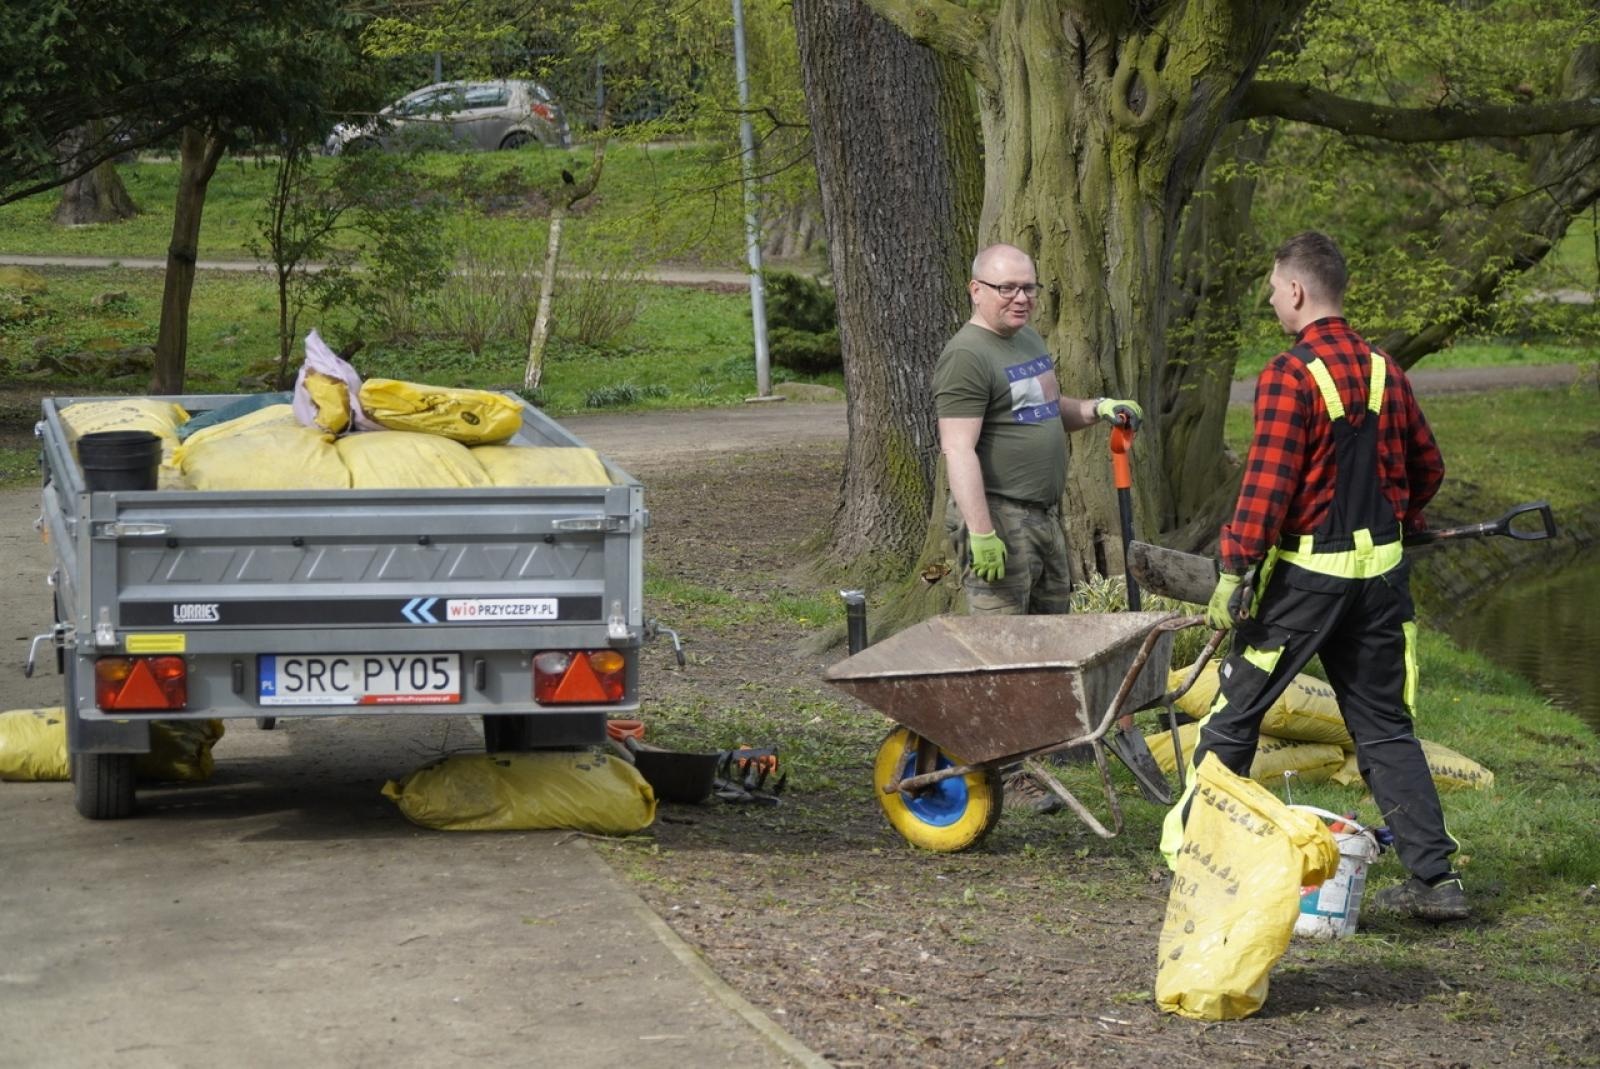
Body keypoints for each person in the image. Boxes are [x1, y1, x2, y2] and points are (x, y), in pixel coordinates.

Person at [1180, 230, 1465, 921]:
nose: (1271, 302)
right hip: (1382, 583)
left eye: (1273, 291)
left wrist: (1235, 568)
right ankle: (1437, 882)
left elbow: (1267, 489)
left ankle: (1198, 859)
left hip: (1307, 584)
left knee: (1234, 714)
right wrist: (1400, 516)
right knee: (1385, 729)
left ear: (1297, 290)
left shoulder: (1289, 375)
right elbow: (1428, 467)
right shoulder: (1384, 369)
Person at [933, 243, 1162, 810]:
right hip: (999, 517)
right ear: (976, 289)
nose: (1021, 298)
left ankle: (1033, 756)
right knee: (1003, 651)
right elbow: (957, 448)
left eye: (1028, 287)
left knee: (1044, 645)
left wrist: (1097, 409)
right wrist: (981, 531)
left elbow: (1048, 410)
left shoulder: (1027, 341)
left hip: (1043, 517)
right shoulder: (966, 356)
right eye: (1007, 288)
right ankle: (1005, 774)